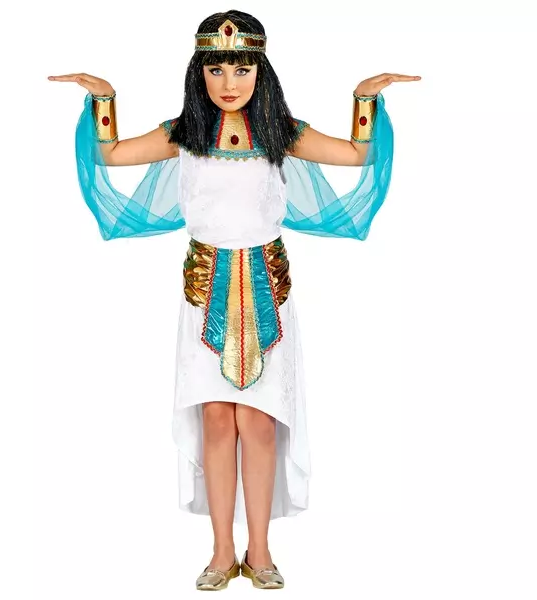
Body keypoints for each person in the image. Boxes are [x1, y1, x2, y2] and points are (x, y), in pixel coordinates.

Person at [49, 8, 420, 591]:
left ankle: (261, 551)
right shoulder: (183, 132)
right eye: (216, 70)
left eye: (241, 69)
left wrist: (364, 98)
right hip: (204, 293)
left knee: (261, 423)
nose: (229, 83)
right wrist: (104, 98)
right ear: (198, 72)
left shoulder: (281, 131)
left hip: (268, 293)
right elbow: (110, 155)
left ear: (260, 71)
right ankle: (222, 552)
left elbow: (358, 155)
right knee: (217, 421)